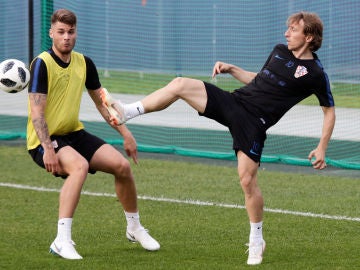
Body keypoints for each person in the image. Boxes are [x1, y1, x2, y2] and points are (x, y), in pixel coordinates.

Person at [100, 11, 335, 265]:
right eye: (287, 28)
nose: (286, 33)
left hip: (254, 124)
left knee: (247, 181)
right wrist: (232, 69)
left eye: (293, 29)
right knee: (179, 84)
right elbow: (260, 80)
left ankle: (257, 241)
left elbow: (328, 110)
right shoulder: (279, 50)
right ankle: (127, 112)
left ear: (308, 36)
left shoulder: (316, 73)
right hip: (235, 103)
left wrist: (322, 147)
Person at [26, 9, 160, 260]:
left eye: (71, 32)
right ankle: (61, 240)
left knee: (121, 166)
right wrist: (49, 149)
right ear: (51, 33)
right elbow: (37, 114)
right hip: (44, 140)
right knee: (80, 167)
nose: (66, 37)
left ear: (76, 33)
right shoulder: (41, 63)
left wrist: (126, 133)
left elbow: (102, 103)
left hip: (73, 133)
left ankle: (134, 228)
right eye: (61, 32)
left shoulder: (84, 63)